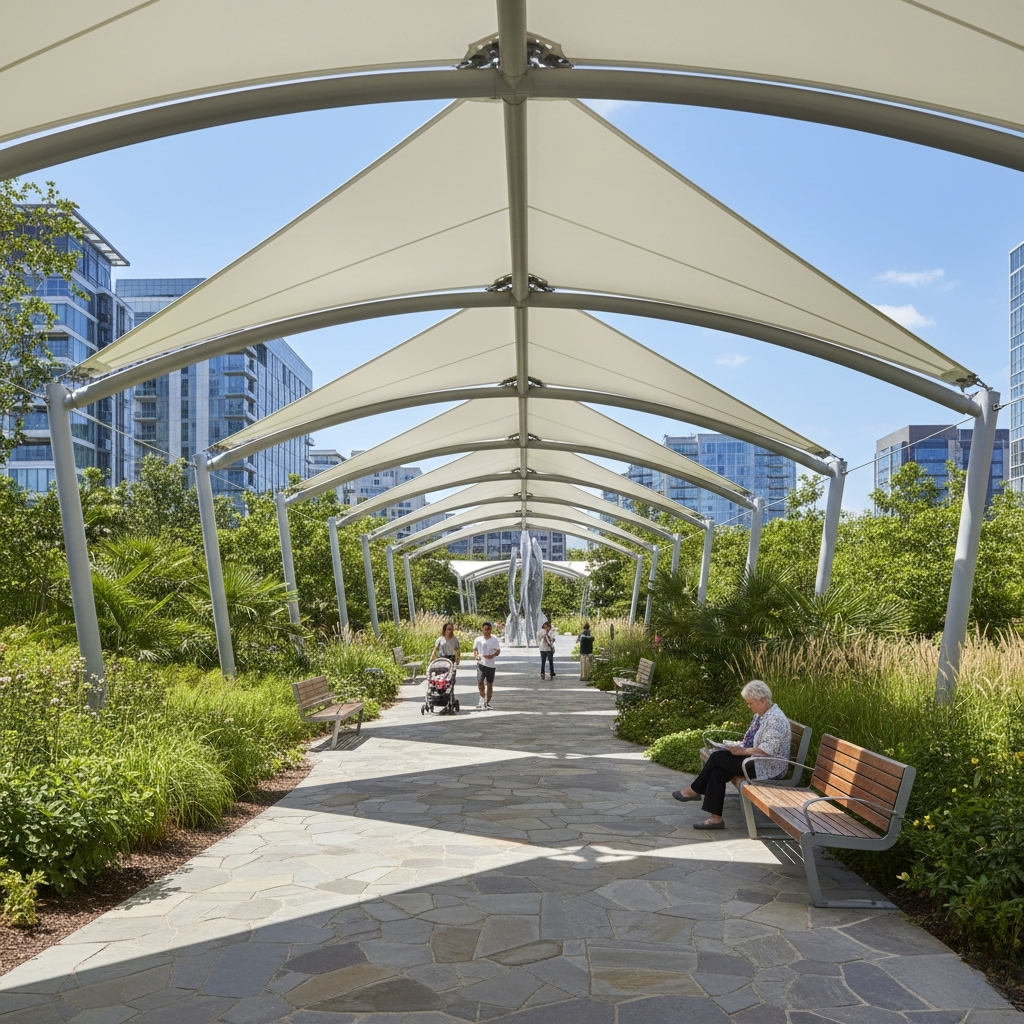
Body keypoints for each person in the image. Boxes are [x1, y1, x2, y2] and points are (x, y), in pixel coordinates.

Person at [671, 679, 790, 830]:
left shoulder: (775, 719)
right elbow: (752, 741)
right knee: (718, 770)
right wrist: (735, 747)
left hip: (768, 766)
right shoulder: (762, 714)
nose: (749, 706)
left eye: (750, 703)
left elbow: (768, 750)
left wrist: (743, 751)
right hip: (756, 760)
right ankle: (715, 819)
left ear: (762, 700)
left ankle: (694, 791)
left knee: (716, 758)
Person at [472, 621, 501, 710]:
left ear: (491, 630)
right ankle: (481, 699)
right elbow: (475, 649)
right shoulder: (478, 639)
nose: (487, 631)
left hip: (491, 665)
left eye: (488, 629)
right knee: (480, 682)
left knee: (489, 684)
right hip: (481, 663)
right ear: (482, 629)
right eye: (485, 629)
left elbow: (498, 651)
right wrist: (476, 656)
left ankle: (487, 702)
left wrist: (492, 655)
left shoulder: (494, 639)